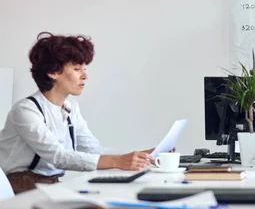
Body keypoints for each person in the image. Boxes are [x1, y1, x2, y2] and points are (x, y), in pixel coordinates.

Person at [0, 32, 156, 194]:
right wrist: (118, 161)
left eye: (84, 68)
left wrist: (139, 155)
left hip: (51, 185)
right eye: (76, 69)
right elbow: (58, 157)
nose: (85, 76)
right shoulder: (26, 110)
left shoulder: (70, 108)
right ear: (52, 72)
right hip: (20, 187)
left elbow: (93, 149)